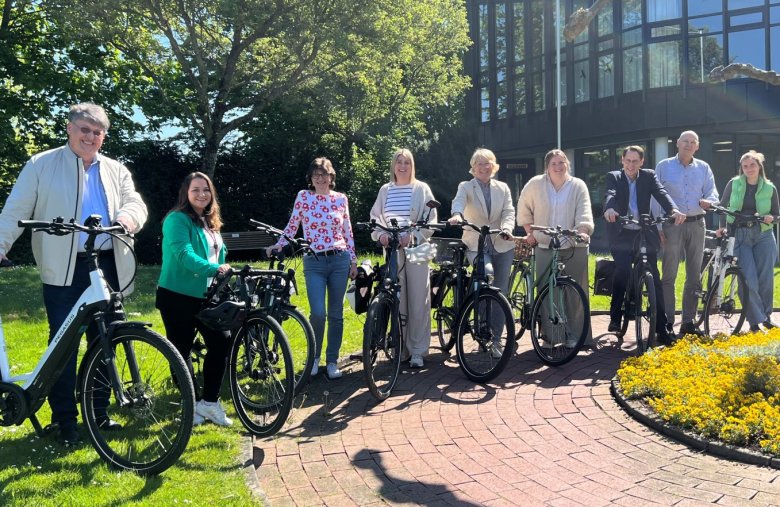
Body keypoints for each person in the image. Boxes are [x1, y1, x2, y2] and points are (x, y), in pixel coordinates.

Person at [0, 103, 148, 445]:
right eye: (85, 129)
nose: (91, 137)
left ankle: (99, 415)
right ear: (69, 128)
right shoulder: (41, 165)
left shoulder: (116, 169)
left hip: (109, 264)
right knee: (64, 347)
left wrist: (128, 218)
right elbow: (14, 212)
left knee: (107, 339)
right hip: (64, 268)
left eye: (98, 132)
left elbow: (135, 202)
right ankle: (65, 420)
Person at [267, 158, 357, 380]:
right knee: (318, 312)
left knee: (336, 314)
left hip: (339, 259)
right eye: (316, 174)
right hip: (314, 261)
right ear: (311, 178)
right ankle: (314, 358)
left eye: (324, 174)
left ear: (331, 177)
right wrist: (279, 245)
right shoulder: (304, 197)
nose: (320, 178)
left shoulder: (340, 199)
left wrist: (353, 260)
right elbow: (292, 225)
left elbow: (348, 231)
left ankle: (333, 361)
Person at [157, 172, 232, 427]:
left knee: (221, 343)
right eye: (195, 190)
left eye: (206, 190)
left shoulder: (209, 221)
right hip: (177, 296)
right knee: (181, 351)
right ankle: (192, 405)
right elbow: (183, 255)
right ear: (185, 193)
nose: (202, 194)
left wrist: (221, 271)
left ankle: (209, 403)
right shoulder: (176, 219)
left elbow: (217, 254)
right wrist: (215, 270)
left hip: (206, 295)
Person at [604, 146, 684, 345]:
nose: (631, 165)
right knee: (622, 269)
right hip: (622, 233)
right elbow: (610, 194)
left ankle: (661, 328)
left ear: (642, 162)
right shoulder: (614, 176)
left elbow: (661, 193)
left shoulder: (648, 176)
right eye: (627, 160)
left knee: (653, 277)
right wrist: (610, 208)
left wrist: (673, 210)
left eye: (635, 161)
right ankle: (615, 317)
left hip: (643, 231)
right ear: (622, 160)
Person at [516, 149, 595, 347]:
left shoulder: (578, 186)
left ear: (567, 164)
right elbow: (524, 208)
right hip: (545, 244)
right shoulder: (535, 184)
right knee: (547, 291)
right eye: (554, 164)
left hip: (572, 245)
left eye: (562, 163)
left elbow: (584, 212)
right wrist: (530, 232)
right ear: (547, 167)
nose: (559, 167)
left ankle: (576, 336)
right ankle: (551, 336)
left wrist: (583, 230)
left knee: (575, 293)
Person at [369, 148, 437, 368]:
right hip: (392, 250)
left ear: (412, 166)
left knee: (418, 299)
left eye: (407, 162)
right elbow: (375, 218)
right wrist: (380, 236)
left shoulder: (421, 189)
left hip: (417, 249)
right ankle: (402, 348)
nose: (402, 166)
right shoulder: (385, 190)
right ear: (393, 165)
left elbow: (431, 220)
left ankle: (417, 350)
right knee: (398, 300)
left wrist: (413, 237)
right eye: (399, 162)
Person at [653, 131, 719, 336]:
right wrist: (658, 227)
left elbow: (713, 192)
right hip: (672, 225)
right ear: (678, 144)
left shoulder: (704, 167)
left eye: (693, 142)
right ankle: (667, 321)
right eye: (685, 142)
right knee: (669, 275)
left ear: (697, 146)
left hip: (698, 224)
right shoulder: (664, 166)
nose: (689, 145)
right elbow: (655, 197)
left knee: (694, 276)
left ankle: (688, 322)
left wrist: (710, 200)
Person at [708, 151, 779, 332]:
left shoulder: (770, 188)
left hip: (764, 235)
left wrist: (772, 217)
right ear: (741, 168)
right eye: (745, 166)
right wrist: (722, 227)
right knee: (748, 280)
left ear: (759, 166)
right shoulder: (734, 184)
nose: (748, 169)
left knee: (765, 279)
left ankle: (766, 317)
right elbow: (723, 208)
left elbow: (777, 214)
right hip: (739, 235)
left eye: (752, 165)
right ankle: (755, 322)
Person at [448, 148, 515, 299]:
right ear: (473, 166)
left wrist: (507, 228)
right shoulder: (465, 186)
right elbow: (458, 202)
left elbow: (508, 212)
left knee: (501, 291)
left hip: (502, 243)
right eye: (479, 163)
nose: (483, 167)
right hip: (476, 244)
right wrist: (457, 215)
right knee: (486, 274)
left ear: (493, 166)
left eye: (487, 163)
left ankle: (498, 324)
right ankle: (481, 319)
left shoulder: (503, 188)